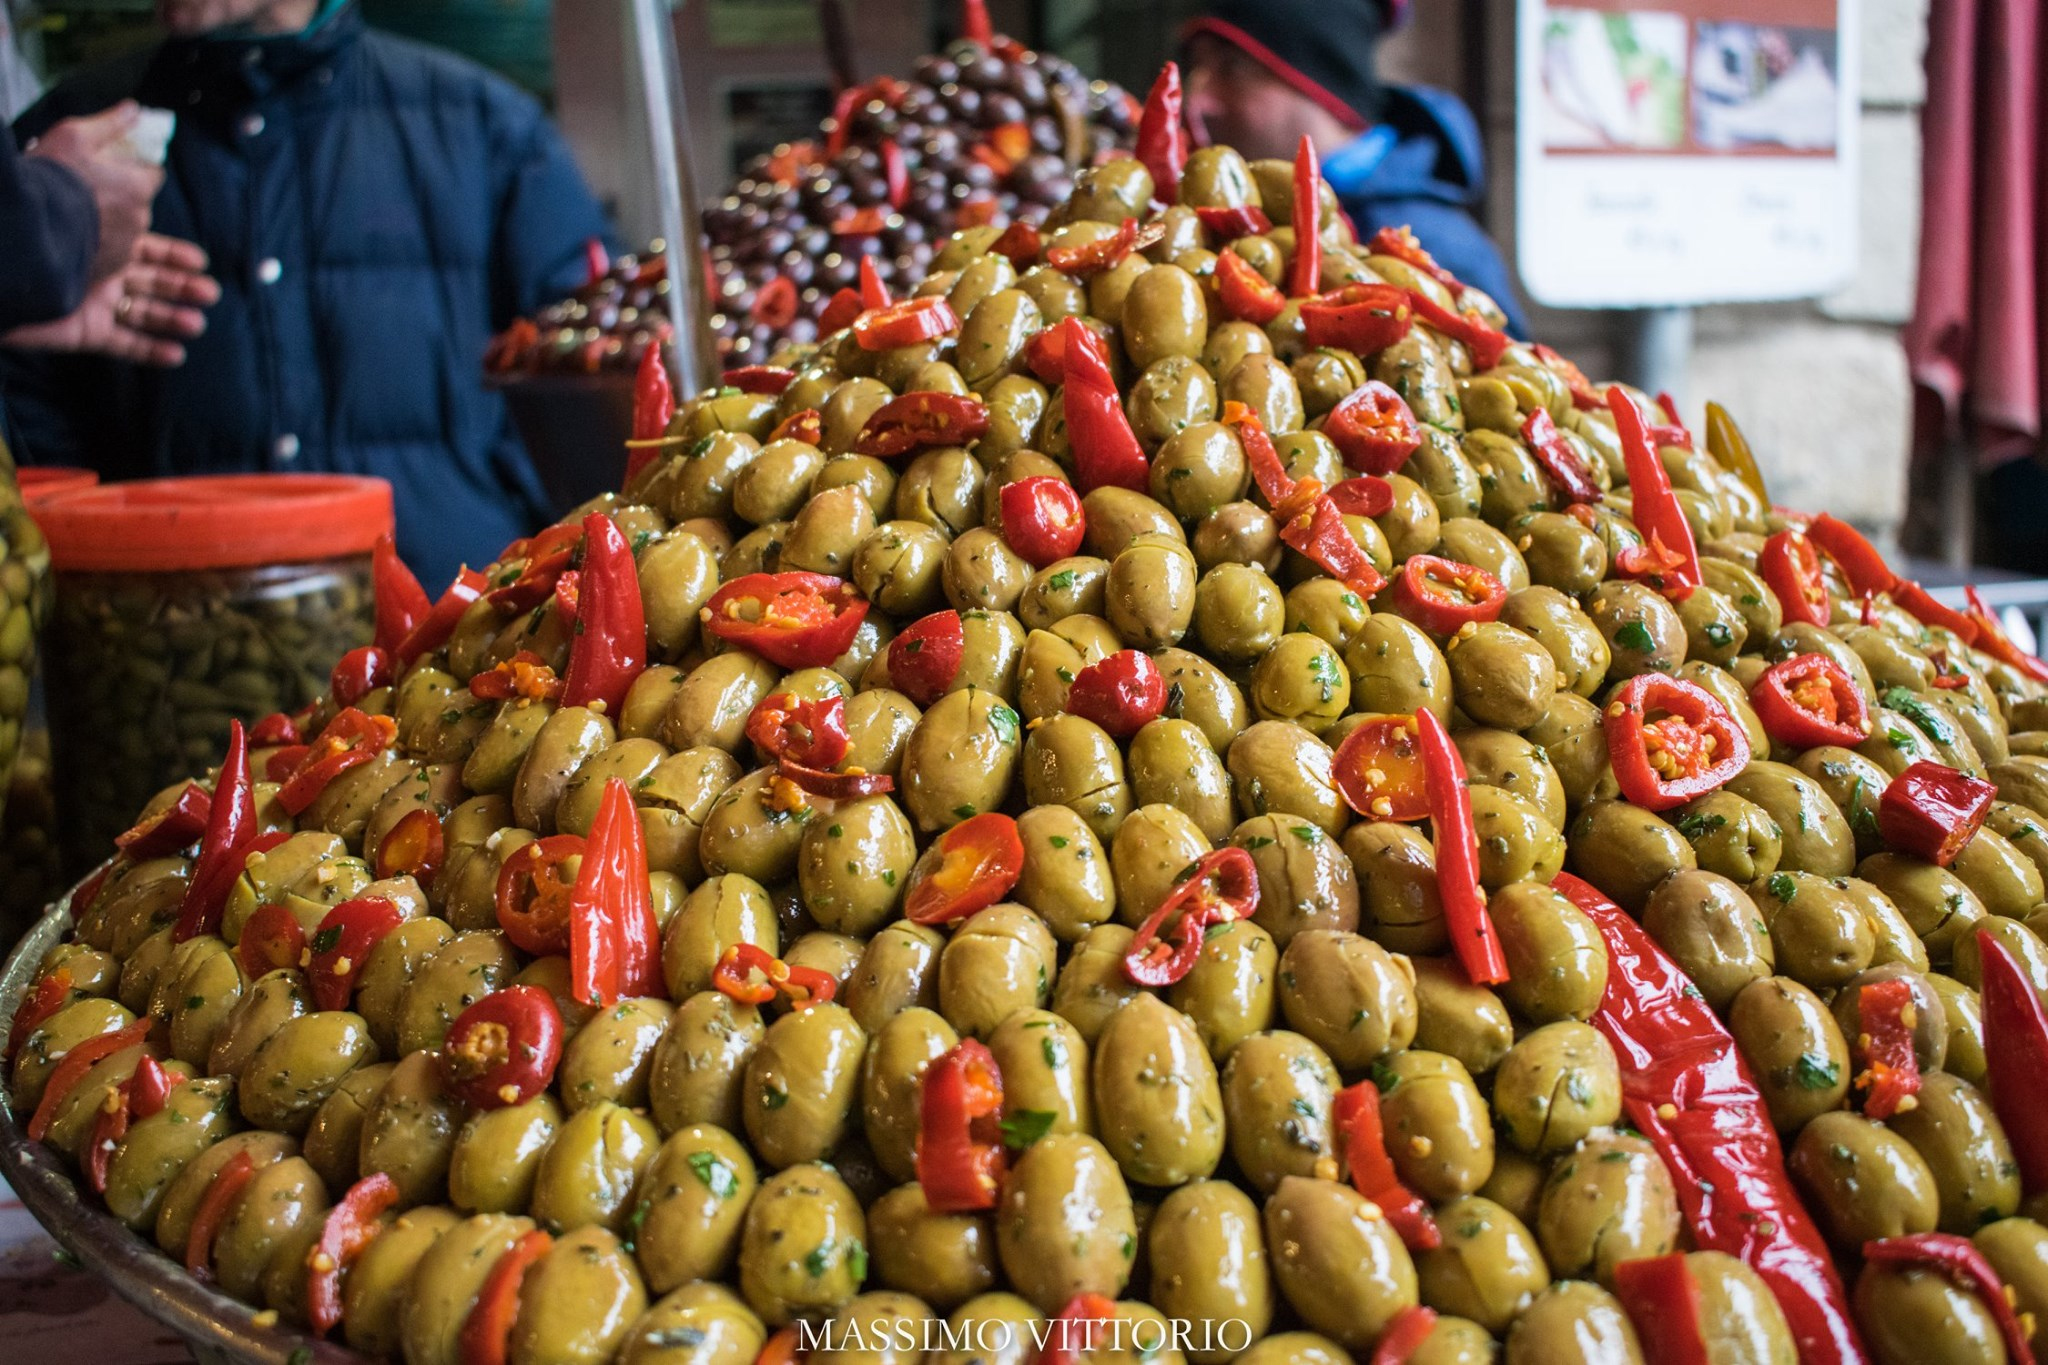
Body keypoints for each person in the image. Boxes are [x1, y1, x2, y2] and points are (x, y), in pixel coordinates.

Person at [1, 0, 615, 586]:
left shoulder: (485, 126)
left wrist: (485, 530)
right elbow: (24, 411)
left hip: (442, 633)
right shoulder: (63, 153)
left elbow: (583, 381)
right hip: (172, 646)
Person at [1182, 0, 1528, 336]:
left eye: (1232, 69)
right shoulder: (1240, 217)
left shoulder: (1442, 244)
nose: (1198, 99)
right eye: (1197, 69)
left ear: (1316, 83)